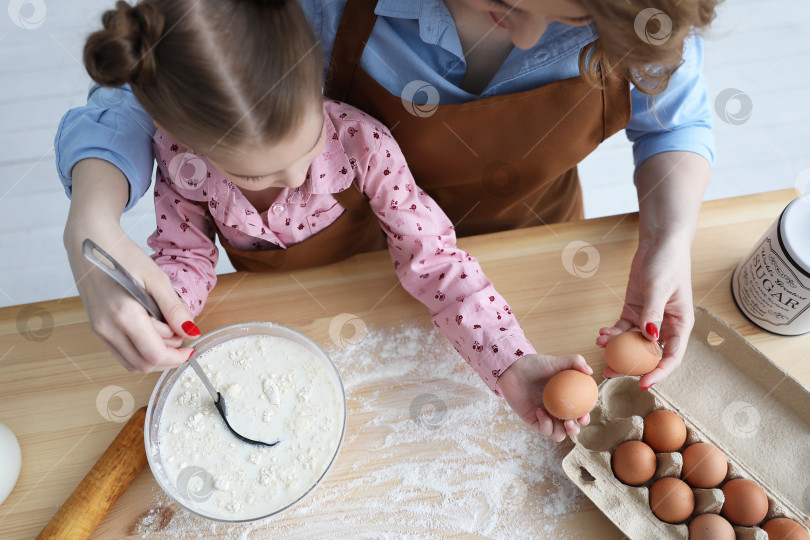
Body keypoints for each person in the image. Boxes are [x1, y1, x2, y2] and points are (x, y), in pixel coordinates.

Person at [58, 0, 718, 440]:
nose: (522, 37)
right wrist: (125, 260)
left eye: (572, 16)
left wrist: (668, 237)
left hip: (532, 250)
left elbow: (435, 261)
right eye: (506, 3)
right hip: (315, 293)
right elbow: (173, 70)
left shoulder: (359, 143)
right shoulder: (194, 153)